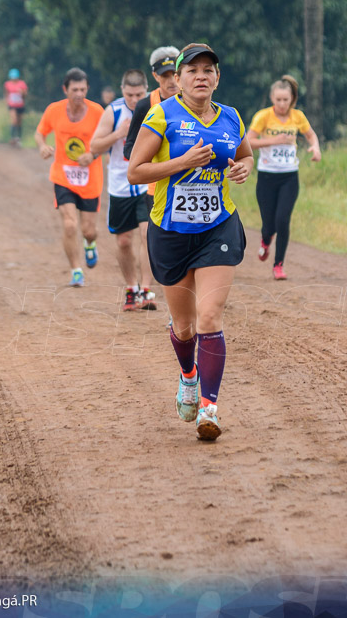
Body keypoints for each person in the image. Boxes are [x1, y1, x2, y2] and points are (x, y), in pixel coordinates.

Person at [127, 43, 253, 441]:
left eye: (209, 70)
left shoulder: (231, 117)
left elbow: (246, 156)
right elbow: (135, 172)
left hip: (217, 226)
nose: (201, 76)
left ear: (217, 78)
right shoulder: (161, 115)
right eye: (192, 70)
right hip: (171, 232)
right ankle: (188, 375)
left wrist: (242, 169)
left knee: (210, 316)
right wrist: (183, 163)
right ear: (177, 80)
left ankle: (209, 409)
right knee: (184, 328)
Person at [89, 69, 158, 311]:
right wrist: (118, 134)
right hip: (120, 183)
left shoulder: (155, 107)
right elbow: (94, 145)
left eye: (139, 94)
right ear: (122, 91)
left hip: (147, 181)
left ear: (146, 89)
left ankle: (147, 290)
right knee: (124, 241)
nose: (134, 99)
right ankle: (132, 288)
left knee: (147, 234)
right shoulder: (113, 111)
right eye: (129, 94)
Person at [34, 68, 105, 287]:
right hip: (63, 176)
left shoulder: (97, 112)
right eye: (74, 89)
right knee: (69, 225)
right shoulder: (54, 110)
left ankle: (90, 244)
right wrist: (43, 146)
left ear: (87, 89)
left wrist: (92, 154)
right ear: (65, 89)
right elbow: (39, 133)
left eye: (83, 89)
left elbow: (106, 141)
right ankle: (76, 270)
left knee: (88, 230)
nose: (79, 94)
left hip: (90, 177)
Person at [122, 45, 181, 306]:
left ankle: (178, 304)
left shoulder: (196, 101)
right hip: (155, 188)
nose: (171, 81)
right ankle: (149, 290)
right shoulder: (146, 105)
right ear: (156, 76)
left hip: (193, 189)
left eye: (175, 74)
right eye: (165, 75)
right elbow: (129, 149)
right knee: (156, 241)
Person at [248, 75, 321, 280]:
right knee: (268, 224)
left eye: (285, 100)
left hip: (289, 176)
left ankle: (278, 264)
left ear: (292, 100)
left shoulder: (298, 116)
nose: (282, 104)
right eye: (278, 100)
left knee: (282, 220)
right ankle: (265, 239)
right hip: (266, 176)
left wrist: (315, 148)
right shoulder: (263, 116)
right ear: (272, 98)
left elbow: (311, 135)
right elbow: (248, 141)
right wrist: (274, 140)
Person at [4, 69, 28, 146]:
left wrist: (22, 92)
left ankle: (19, 138)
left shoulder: (22, 84)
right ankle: (12, 137)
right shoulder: (7, 84)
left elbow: (25, 94)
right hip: (12, 105)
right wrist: (7, 101)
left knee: (19, 122)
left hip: (20, 105)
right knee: (14, 120)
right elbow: (6, 93)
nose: (14, 79)